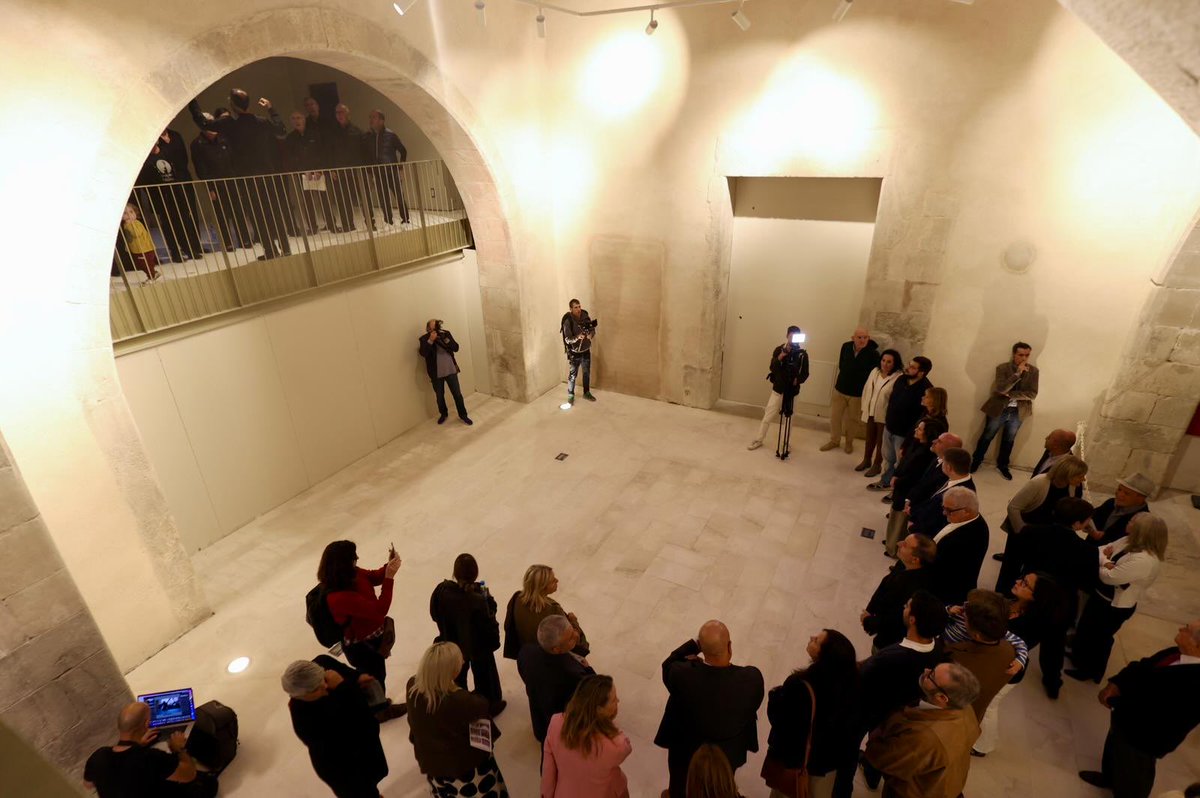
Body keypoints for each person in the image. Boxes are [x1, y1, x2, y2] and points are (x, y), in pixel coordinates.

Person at [1078, 620, 1200, 798]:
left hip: (1143, 739)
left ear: (1197, 645)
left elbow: (1163, 716)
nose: (1180, 629)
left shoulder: (1196, 686)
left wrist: (1120, 703)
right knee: (1114, 752)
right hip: (1125, 719)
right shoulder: (1177, 653)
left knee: (1133, 778)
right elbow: (1143, 666)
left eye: (1187, 630)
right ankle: (1109, 778)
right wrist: (1117, 682)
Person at [844, 591, 947, 796]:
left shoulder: (894, 657)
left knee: (848, 747)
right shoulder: (937, 646)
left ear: (912, 619)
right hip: (900, 708)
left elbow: (863, 677)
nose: (904, 607)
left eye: (907, 606)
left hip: (871, 708)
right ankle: (873, 771)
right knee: (883, 743)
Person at [654, 620, 765, 798]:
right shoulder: (752, 679)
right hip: (728, 754)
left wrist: (696, 645)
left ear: (703, 651)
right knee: (721, 783)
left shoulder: (682, 675)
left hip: (686, 755)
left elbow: (668, 664)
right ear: (729, 647)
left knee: (681, 785)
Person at [188, 89, 291, 260]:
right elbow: (281, 130)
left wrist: (193, 102)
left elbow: (203, 123)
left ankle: (271, 250)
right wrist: (271, 109)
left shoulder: (229, 123)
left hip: (245, 177)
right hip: (266, 174)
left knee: (257, 214)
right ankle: (285, 248)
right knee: (273, 211)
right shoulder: (261, 121)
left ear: (233, 106)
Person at [1067, 513, 1168, 683]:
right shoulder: (1128, 540)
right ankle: (1078, 656)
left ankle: (1089, 670)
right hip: (1101, 596)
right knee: (1086, 628)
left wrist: (1104, 562)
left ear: (1141, 531)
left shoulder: (1145, 560)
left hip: (1113, 607)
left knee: (1099, 638)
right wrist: (1106, 561)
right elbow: (1100, 550)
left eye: (1132, 522)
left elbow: (1109, 577)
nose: (1128, 522)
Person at [973, 572, 1064, 756]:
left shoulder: (1031, 623)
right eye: (1021, 578)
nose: (1017, 581)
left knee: (988, 707)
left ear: (1036, 597)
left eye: (1024, 583)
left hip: (1006, 670)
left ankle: (983, 745)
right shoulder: (1012, 603)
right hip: (992, 662)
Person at [763, 629, 860, 798]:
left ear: (825, 656)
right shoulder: (851, 685)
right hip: (827, 766)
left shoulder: (799, 686)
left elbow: (781, 723)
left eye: (817, 640)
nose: (811, 637)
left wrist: (776, 696)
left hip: (795, 766)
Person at [406, 642, 510, 797]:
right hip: (464, 767)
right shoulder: (461, 701)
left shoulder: (413, 686)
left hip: (433, 764)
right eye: (459, 661)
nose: (462, 662)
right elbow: (482, 705)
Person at [864, 662, 981, 798]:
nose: (926, 670)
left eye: (931, 676)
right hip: (946, 785)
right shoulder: (965, 708)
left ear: (942, 698)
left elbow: (884, 759)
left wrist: (876, 735)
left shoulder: (924, 736)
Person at [1020, 497, 1100, 696]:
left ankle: (1007, 663)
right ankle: (1052, 682)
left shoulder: (1031, 531)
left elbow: (1020, 559)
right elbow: (1087, 584)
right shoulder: (1088, 552)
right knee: (1054, 643)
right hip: (1061, 604)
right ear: (1077, 524)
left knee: (1021, 635)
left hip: (1030, 593)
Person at [282, 658, 389, 798]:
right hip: (345, 770)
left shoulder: (315, 673)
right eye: (317, 688)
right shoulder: (307, 722)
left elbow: (324, 659)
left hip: (362, 754)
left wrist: (357, 676)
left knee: (371, 784)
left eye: (323, 679)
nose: (325, 686)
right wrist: (343, 687)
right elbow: (366, 726)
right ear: (300, 695)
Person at [993, 455, 1088, 588]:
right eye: (1080, 475)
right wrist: (1022, 532)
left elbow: (1076, 508)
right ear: (1068, 474)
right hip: (1023, 530)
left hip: (1045, 535)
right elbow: (1014, 507)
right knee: (1011, 566)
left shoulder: (1074, 487)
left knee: (1033, 569)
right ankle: (1002, 595)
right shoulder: (1039, 483)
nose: (1083, 479)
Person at [319, 539, 403, 686]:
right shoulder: (338, 597)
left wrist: (388, 567)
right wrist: (389, 577)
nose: (357, 559)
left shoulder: (350, 573)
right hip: (363, 646)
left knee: (378, 675)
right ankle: (379, 707)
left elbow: (373, 577)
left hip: (371, 638)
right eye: (354, 557)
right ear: (343, 564)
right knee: (374, 679)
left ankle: (381, 704)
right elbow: (379, 610)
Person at [83, 701, 208, 798]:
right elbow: (189, 775)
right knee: (208, 783)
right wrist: (178, 749)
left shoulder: (98, 756)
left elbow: (88, 785)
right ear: (146, 724)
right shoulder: (149, 758)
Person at [430, 553, 504, 714]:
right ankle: (490, 704)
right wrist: (487, 599)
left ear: (455, 573)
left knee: (457, 678)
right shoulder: (478, 599)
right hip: (477, 647)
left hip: (452, 643)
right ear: (475, 574)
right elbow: (489, 622)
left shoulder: (441, 591)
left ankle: (460, 706)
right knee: (485, 675)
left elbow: (434, 614)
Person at [541, 674, 633, 798]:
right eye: (614, 699)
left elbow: (548, 771)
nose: (618, 701)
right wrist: (608, 725)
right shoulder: (615, 746)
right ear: (599, 710)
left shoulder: (556, 722)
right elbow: (626, 747)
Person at [942, 590, 1022, 724]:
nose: (963, 608)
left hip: (951, 720)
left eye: (966, 616)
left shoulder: (957, 661)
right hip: (971, 720)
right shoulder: (1007, 649)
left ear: (976, 635)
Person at [518, 615, 596, 743]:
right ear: (556, 649)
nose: (576, 635)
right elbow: (594, 690)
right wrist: (587, 668)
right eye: (570, 638)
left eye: (573, 630)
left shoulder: (526, 652)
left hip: (540, 717)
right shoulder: (572, 673)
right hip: (562, 726)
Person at [970, 342, 1039, 480]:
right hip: (999, 408)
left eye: (1027, 355)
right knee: (987, 436)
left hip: (1018, 411)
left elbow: (1032, 394)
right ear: (1014, 354)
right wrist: (1018, 373)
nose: (1024, 358)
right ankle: (976, 461)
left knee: (1009, 440)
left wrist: (1011, 394)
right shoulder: (1003, 368)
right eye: (1021, 355)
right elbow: (1001, 389)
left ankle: (1003, 465)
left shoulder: (1034, 371)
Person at [881, 418, 950, 557]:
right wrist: (895, 476)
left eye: (919, 429)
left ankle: (895, 548)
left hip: (907, 490)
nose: (915, 431)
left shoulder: (927, 454)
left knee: (901, 521)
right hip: (902, 487)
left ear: (927, 433)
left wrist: (899, 482)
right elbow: (904, 462)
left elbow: (916, 477)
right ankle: (891, 541)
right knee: (895, 517)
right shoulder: (917, 444)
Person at [137, 128, 203, 264]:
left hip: (176, 193)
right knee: (169, 225)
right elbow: (144, 180)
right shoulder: (146, 161)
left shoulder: (166, 153)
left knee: (183, 222)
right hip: (161, 198)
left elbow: (176, 169)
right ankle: (175, 252)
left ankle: (189, 249)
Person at [861, 533, 937, 650]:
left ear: (915, 559)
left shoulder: (912, 591)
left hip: (887, 641)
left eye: (905, 545)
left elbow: (894, 621)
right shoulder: (903, 564)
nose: (898, 543)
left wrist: (868, 621)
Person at [870, 356, 932, 490]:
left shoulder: (926, 389)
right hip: (890, 426)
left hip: (905, 433)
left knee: (901, 463)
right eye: (909, 365)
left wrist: (911, 436)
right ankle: (885, 481)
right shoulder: (901, 379)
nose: (908, 369)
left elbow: (922, 415)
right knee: (887, 458)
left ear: (922, 372)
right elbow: (892, 400)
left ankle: (897, 490)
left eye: (913, 367)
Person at [503, 564, 590, 659]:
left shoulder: (517, 598)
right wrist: (573, 621)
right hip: (551, 658)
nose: (557, 580)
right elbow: (572, 638)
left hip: (529, 656)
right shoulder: (553, 609)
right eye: (553, 581)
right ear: (543, 587)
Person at [748, 326, 811, 451]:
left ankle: (785, 443)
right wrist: (781, 356)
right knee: (768, 415)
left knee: (789, 419)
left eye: (796, 336)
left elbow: (805, 373)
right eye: (791, 336)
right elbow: (772, 368)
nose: (793, 339)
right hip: (778, 389)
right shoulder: (779, 350)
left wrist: (797, 380)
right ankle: (759, 439)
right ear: (787, 335)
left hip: (793, 392)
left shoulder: (802, 354)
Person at [821, 327, 878, 454]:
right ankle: (834, 440)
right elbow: (842, 364)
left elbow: (872, 374)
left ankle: (849, 442)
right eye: (859, 337)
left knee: (853, 420)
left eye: (865, 337)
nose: (862, 340)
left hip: (857, 394)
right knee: (835, 417)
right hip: (840, 389)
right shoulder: (846, 347)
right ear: (853, 338)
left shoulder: (873, 353)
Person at [928, 487, 989, 604]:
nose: (944, 513)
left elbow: (942, 570)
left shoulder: (968, 537)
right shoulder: (963, 518)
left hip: (947, 591)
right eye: (943, 508)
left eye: (949, 510)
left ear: (966, 511)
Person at [190, 117, 243, 251]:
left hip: (230, 180)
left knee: (237, 210)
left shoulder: (223, 138)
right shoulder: (197, 144)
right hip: (215, 184)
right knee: (221, 214)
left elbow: (233, 160)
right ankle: (227, 242)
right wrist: (210, 188)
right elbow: (200, 168)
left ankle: (244, 239)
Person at [283, 110, 333, 234]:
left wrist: (320, 169)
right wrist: (301, 171)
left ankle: (331, 224)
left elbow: (322, 152)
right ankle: (312, 227)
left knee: (324, 199)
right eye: (294, 118)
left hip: (318, 172)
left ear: (304, 119)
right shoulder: (290, 138)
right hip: (303, 174)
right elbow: (290, 157)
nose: (296, 121)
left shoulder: (315, 134)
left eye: (299, 117)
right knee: (307, 201)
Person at [905, 447, 974, 537]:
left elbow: (940, 519)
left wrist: (914, 528)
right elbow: (932, 499)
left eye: (943, 462)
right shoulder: (953, 479)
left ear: (949, 467)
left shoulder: (960, 493)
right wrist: (914, 512)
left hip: (927, 535)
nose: (941, 463)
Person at [857, 348, 902, 476]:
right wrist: (864, 408)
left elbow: (895, 398)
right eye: (883, 360)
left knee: (881, 442)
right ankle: (866, 460)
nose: (885, 364)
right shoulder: (875, 371)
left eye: (889, 362)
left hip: (885, 415)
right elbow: (866, 389)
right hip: (871, 411)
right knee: (869, 438)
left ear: (894, 363)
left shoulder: (898, 377)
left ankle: (877, 464)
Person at [418, 319, 473, 425]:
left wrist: (446, 339)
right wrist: (431, 340)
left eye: (437, 326)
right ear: (428, 328)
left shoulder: (445, 334)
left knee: (457, 394)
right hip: (436, 374)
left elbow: (456, 348)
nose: (436, 329)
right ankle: (443, 414)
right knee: (439, 396)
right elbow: (423, 353)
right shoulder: (424, 339)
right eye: (433, 328)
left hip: (451, 370)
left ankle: (463, 415)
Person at [365, 109, 410, 226]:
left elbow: (403, 151)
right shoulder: (369, 136)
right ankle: (388, 221)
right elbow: (369, 156)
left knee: (399, 196)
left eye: (373, 117)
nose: (371, 120)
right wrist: (370, 173)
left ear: (381, 120)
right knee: (383, 198)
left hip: (392, 172)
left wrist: (400, 167)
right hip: (378, 173)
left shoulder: (391, 135)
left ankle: (405, 219)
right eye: (370, 117)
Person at [328, 103, 367, 233]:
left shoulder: (357, 131)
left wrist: (365, 170)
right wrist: (332, 170)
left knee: (363, 197)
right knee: (342, 199)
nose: (339, 115)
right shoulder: (332, 132)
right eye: (337, 113)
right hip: (339, 172)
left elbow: (363, 151)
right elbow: (330, 152)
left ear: (348, 114)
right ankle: (347, 225)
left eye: (342, 112)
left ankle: (370, 223)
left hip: (356, 171)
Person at [1089, 472, 1154, 546]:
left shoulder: (1143, 520)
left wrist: (1103, 538)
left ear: (1141, 498)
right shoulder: (1110, 503)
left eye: (1126, 493)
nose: (1119, 494)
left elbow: (1129, 545)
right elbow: (1093, 517)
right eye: (1119, 489)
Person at [561, 299, 597, 404]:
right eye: (576, 307)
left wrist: (591, 334)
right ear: (571, 309)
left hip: (586, 350)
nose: (578, 309)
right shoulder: (568, 321)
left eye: (579, 306)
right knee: (573, 375)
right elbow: (567, 339)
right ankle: (571, 395)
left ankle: (586, 393)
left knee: (586, 373)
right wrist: (577, 337)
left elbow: (591, 329)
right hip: (574, 353)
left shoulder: (585, 315)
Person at [119, 203, 160, 281]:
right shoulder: (126, 224)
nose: (129, 215)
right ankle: (153, 273)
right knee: (139, 264)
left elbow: (136, 234)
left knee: (144, 264)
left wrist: (130, 224)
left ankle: (152, 276)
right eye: (125, 213)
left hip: (145, 249)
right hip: (137, 250)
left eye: (131, 212)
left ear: (135, 213)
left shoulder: (135, 223)